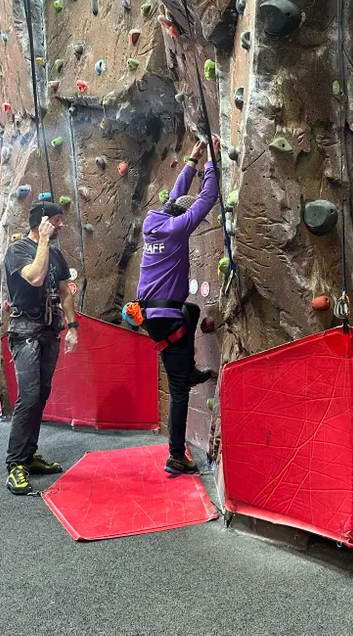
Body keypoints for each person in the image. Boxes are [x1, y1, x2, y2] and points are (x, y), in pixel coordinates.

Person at [135, 136, 220, 475]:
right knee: (179, 388)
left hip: (157, 313)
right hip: (165, 318)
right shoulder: (179, 230)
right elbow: (208, 198)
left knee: (193, 311)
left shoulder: (153, 225)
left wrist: (192, 160)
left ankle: (190, 369)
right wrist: (212, 161)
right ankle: (175, 454)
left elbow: (174, 199)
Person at [4, 200, 79, 495]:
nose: (61, 225)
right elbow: (35, 277)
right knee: (30, 395)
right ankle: (15, 465)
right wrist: (44, 240)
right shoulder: (18, 251)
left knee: (41, 394)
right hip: (24, 332)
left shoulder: (56, 253)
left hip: (49, 332)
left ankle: (29, 455)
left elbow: (64, 293)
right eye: (56, 221)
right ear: (42, 223)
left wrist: (72, 327)